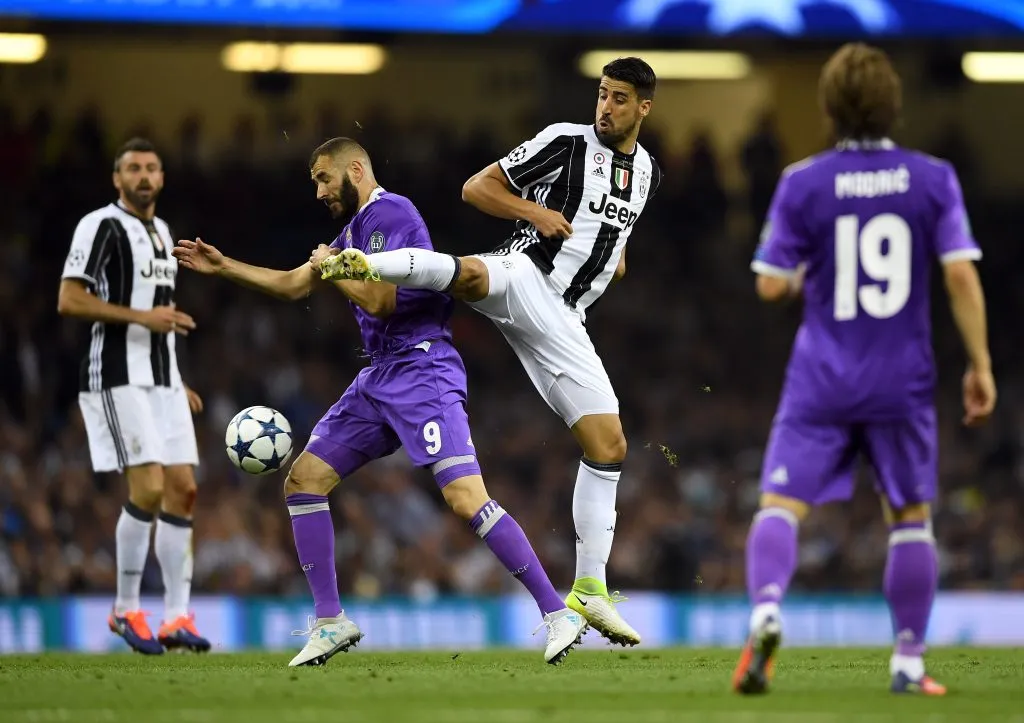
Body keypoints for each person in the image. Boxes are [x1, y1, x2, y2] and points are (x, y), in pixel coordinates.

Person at [172, 137, 587, 667]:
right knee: (304, 479)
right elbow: (294, 285)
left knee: (464, 497)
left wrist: (337, 267)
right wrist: (224, 265)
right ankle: (329, 621)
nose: (319, 191)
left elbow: (382, 297)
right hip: (379, 376)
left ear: (356, 169)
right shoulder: (349, 235)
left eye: (324, 178)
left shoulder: (393, 213)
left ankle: (558, 612)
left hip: (422, 368)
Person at [320, 57, 662, 647]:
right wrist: (534, 212)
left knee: (609, 446)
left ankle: (589, 590)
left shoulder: (649, 172)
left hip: (565, 317)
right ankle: (367, 263)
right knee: (474, 276)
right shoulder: (566, 142)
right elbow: (476, 187)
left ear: (644, 108)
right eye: (602, 95)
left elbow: (617, 247)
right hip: (527, 273)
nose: (605, 107)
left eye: (619, 99)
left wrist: (602, 263)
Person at [732, 43, 996, 696]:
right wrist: (980, 362)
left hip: (821, 374)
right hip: (901, 378)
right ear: (894, 105)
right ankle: (908, 661)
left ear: (828, 107)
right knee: (909, 516)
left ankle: (766, 609)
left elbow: (769, 284)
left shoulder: (802, 181)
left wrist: (805, 276)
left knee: (781, 504)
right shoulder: (933, 178)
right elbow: (959, 272)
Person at [58, 137, 210, 655]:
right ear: (117, 179)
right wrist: (141, 319)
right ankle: (125, 609)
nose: (144, 176)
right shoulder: (98, 225)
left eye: (152, 168)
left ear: (162, 178)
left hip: (161, 376)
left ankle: (175, 617)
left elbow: (162, 310)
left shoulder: (164, 231)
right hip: (117, 374)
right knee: (146, 488)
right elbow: (69, 298)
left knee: (183, 489)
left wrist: (176, 378)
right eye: (133, 169)